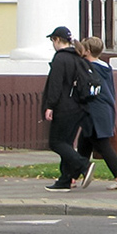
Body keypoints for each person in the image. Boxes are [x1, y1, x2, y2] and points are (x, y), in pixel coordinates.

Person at [41, 26, 93, 191]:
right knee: (67, 144)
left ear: (57, 40)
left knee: (56, 142)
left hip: (64, 107)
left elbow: (55, 86)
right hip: (79, 107)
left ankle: (83, 166)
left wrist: (50, 106)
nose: (53, 44)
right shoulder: (77, 57)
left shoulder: (60, 58)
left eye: (53, 41)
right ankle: (65, 179)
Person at [76, 36, 117, 190]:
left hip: (94, 111)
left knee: (103, 145)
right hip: (106, 108)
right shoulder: (105, 66)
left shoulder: (89, 68)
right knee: (83, 144)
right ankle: (72, 177)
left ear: (87, 51)